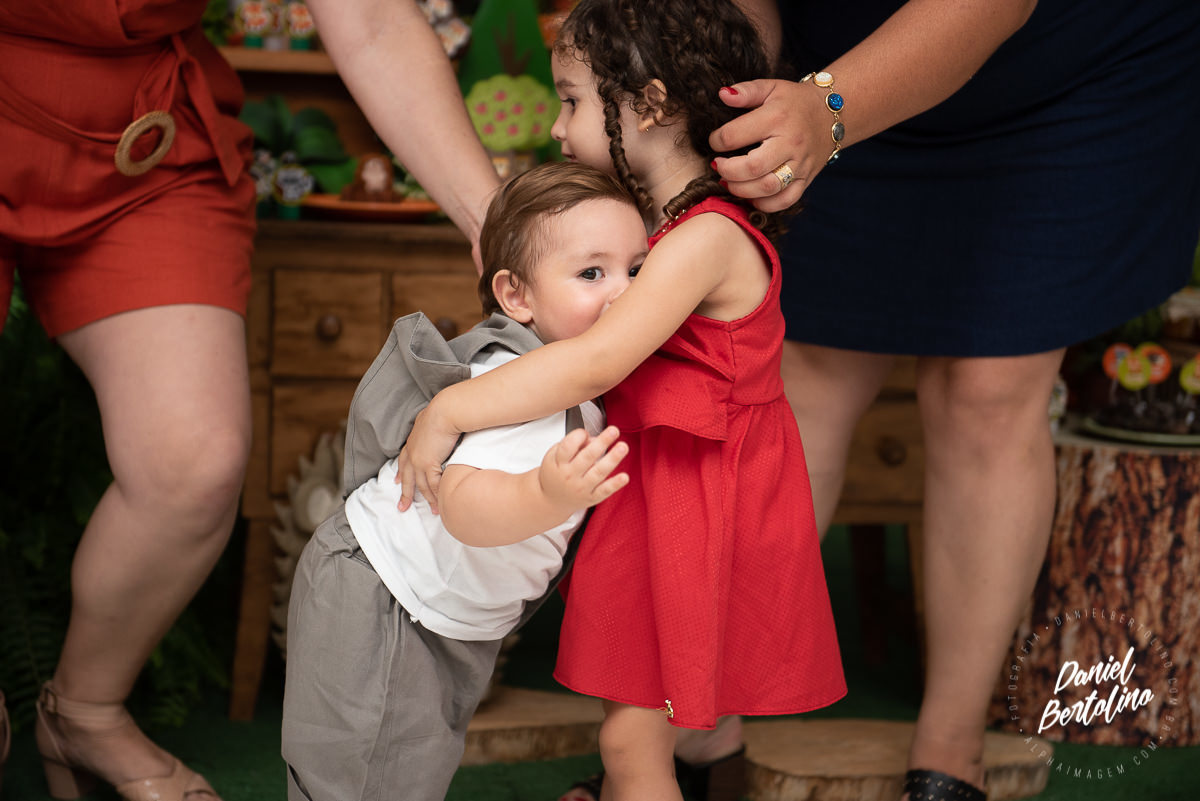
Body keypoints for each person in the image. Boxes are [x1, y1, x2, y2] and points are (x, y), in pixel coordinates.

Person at [0, 1, 503, 800]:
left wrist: (501, 229)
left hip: (142, 136)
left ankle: (83, 711)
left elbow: (369, 17)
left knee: (192, 462)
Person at [701, 2, 1200, 800]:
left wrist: (828, 109)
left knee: (990, 388)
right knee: (807, 365)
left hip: (1077, 71)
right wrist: (746, 73)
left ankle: (950, 752)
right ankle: (698, 723)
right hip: (830, 52)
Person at [395, 1, 848, 797]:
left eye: (571, 100)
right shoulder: (659, 227)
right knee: (634, 727)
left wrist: (448, 411)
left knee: (633, 736)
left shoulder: (705, 236)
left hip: (698, 502)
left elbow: (594, 362)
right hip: (663, 489)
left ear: (651, 105)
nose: (560, 129)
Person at [280, 161, 645, 801]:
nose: (624, 292)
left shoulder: (570, 381)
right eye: (592, 272)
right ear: (517, 296)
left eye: (636, 270)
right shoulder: (523, 384)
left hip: (434, 609)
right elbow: (466, 506)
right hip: (386, 597)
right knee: (364, 782)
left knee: (403, 772)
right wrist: (547, 495)